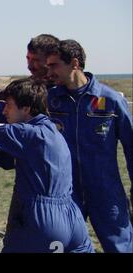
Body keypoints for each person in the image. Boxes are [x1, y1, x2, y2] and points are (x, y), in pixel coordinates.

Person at [0, 78, 94, 253]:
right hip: (73, 219)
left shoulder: (28, 134)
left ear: (26, 108)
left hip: (41, 222)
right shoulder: (49, 130)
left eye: (8, 105)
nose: (4, 110)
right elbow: (7, 160)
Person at [45, 39, 133, 253]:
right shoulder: (50, 101)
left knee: (119, 246)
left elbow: (131, 147)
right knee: (63, 246)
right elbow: (12, 110)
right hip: (66, 192)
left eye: (54, 65)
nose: (49, 72)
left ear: (74, 63)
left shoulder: (110, 101)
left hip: (106, 191)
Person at [0, 34, 59, 101]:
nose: (30, 66)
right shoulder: (23, 88)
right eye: (28, 59)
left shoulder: (62, 90)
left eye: (36, 60)